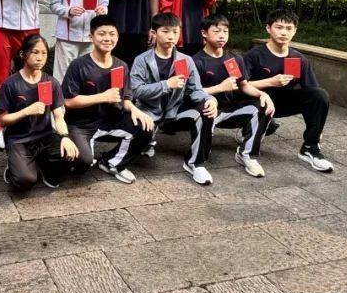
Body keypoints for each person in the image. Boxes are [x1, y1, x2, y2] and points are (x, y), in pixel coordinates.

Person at [61, 15, 156, 184]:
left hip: (111, 120)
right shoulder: (79, 65)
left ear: (117, 37)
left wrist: (136, 110)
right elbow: (68, 101)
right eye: (102, 34)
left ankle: (112, 162)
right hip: (82, 125)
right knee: (82, 163)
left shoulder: (121, 65)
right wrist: (103, 97)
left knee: (146, 127)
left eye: (112, 34)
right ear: (91, 37)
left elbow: (125, 99)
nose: (107, 38)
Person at [130, 12, 218, 185]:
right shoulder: (142, 60)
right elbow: (136, 91)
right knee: (137, 139)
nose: (171, 36)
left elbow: (195, 90)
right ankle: (137, 147)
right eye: (165, 31)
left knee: (206, 110)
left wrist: (210, 100)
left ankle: (196, 163)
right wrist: (166, 84)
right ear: (154, 33)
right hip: (148, 113)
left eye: (175, 32)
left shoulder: (185, 61)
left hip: (174, 112)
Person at [243, 8, 334, 173]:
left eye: (289, 28)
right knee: (262, 102)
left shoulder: (298, 59)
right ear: (268, 28)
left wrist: (316, 129)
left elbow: (312, 91)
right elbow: (241, 86)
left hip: (283, 103)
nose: (284, 32)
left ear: (295, 31)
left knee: (320, 95)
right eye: (279, 27)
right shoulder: (254, 55)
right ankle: (249, 138)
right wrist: (270, 82)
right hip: (257, 102)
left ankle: (310, 148)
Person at [192, 14, 275, 178]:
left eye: (225, 31)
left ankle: (247, 155)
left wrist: (262, 94)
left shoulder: (233, 59)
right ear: (204, 33)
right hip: (206, 111)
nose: (222, 35)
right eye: (216, 31)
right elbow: (192, 93)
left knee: (262, 105)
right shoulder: (196, 61)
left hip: (229, 110)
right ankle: (197, 159)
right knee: (205, 109)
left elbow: (244, 85)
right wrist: (220, 88)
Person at [0, 34, 79, 191]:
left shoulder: (51, 82)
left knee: (74, 155)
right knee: (24, 181)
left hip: (45, 136)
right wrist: (27, 111)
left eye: (44, 53)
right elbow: (2, 120)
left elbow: (58, 116)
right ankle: (13, 169)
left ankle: (44, 167)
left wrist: (65, 137)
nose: (40, 58)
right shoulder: (10, 84)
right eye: (35, 52)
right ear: (23, 54)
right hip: (19, 139)